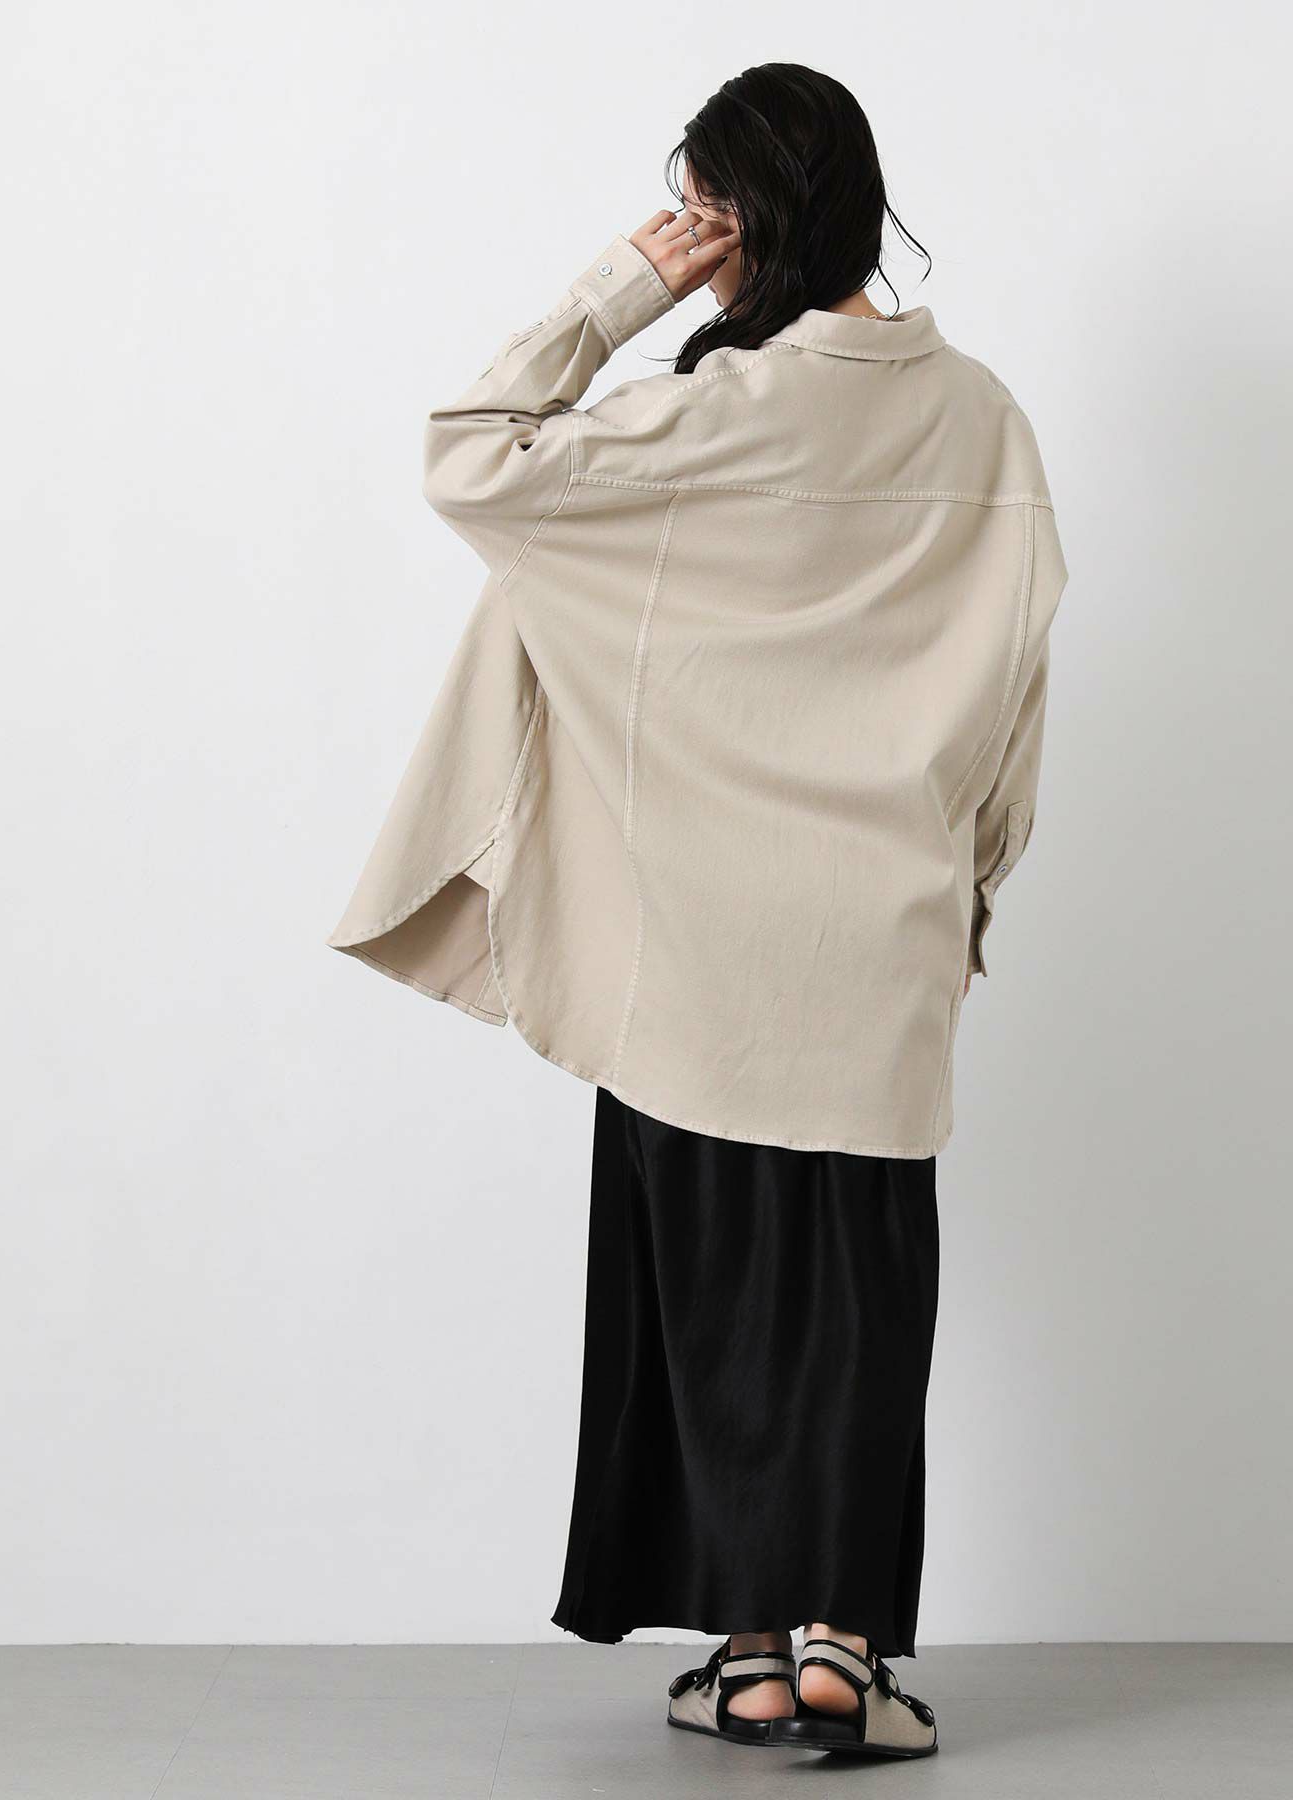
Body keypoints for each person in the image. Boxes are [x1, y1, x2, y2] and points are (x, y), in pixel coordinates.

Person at [327, 61, 1067, 1761]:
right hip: (877, 944)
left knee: (712, 1292)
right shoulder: (989, 426)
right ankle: (846, 1655)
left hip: (692, 949)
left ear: (739, 222)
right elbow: (1017, 696)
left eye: (703, 210)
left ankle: (746, 1654)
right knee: (860, 1307)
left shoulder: (711, 417)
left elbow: (470, 458)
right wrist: (969, 897)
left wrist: (620, 291)